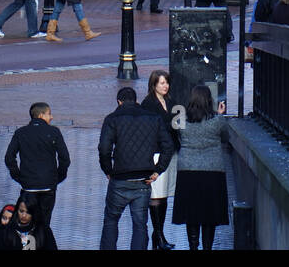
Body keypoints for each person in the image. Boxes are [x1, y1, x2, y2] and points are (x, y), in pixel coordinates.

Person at [98, 86, 174, 251]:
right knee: (140, 224)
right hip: (143, 180)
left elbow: (104, 149)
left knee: (111, 220)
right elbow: (168, 146)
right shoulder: (153, 118)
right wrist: (157, 170)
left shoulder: (112, 119)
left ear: (119, 102)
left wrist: (108, 170)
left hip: (119, 178)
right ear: (136, 100)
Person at [3, 101, 70, 249]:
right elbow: (65, 158)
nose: (51, 117)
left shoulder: (21, 133)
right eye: (49, 114)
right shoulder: (54, 132)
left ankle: (29, 246)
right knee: (44, 223)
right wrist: (58, 177)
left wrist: (19, 177)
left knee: (27, 222)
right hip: (48, 188)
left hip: (29, 188)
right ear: (41, 115)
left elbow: (9, 158)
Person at [172, 84, 230, 251]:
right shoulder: (217, 121)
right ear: (209, 100)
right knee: (209, 214)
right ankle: (207, 247)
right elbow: (225, 137)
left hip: (187, 170)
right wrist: (220, 115)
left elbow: (177, 136)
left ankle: (193, 245)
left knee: (191, 212)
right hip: (213, 171)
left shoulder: (181, 120)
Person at [141, 70, 179, 250]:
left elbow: (179, 124)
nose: (165, 86)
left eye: (166, 83)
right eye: (161, 83)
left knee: (163, 195)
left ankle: (158, 235)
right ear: (153, 84)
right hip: (156, 152)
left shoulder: (171, 102)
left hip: (170, 152)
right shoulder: (148, 104)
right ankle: (159, 236)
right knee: (156, 195)